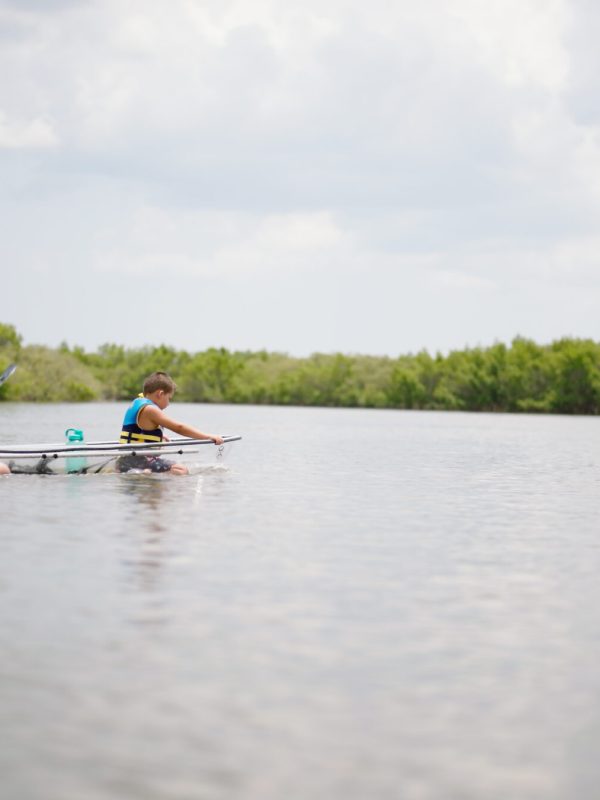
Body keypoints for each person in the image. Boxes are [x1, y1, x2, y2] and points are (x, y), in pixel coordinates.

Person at [117, 371, 224, 475]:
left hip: (125, 461)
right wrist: (209, 436)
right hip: (139, 461)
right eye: (169, 398)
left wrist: (159, 436)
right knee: (181, 470)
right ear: (160, 394)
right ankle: (146, 473)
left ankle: (145, 472)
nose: (168, 403)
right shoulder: (151, 409)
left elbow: (138, 431)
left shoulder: (137, 402)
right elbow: (179, 427)